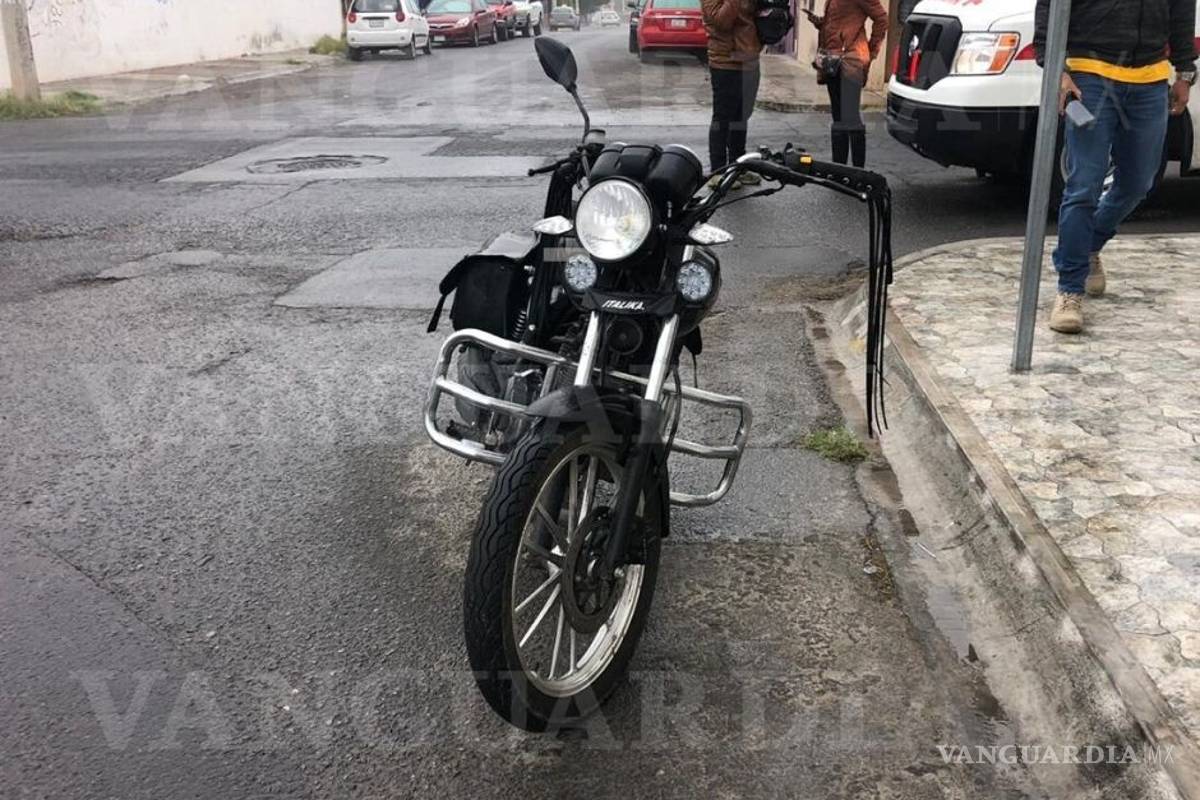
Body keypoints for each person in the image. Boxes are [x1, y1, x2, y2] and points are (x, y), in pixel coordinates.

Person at [1034, 0, 1196, 334]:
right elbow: (1050, 7)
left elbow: (1182, 7)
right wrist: (1056, 70)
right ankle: (1070, 289)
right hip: (1090, 75)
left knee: (1139, 183)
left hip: (1150, 78)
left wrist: (1185, 73)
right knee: (1084, 186)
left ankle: (1089, 244)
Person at [804, 0, 887, 167]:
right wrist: (820, 22)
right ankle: (839, 168)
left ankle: (858, 170)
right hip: (832, 61)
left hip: (851, 62)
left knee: (851, 118)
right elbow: (837, 22)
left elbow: (881, 19)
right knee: (838, 117)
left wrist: (871, 50)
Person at [701, 0, 762, 188]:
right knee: (722, 118)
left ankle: (738, 168)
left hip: (749, 59)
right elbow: (723, 21)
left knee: (741, 117)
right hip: (725, 62)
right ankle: (718, 172)